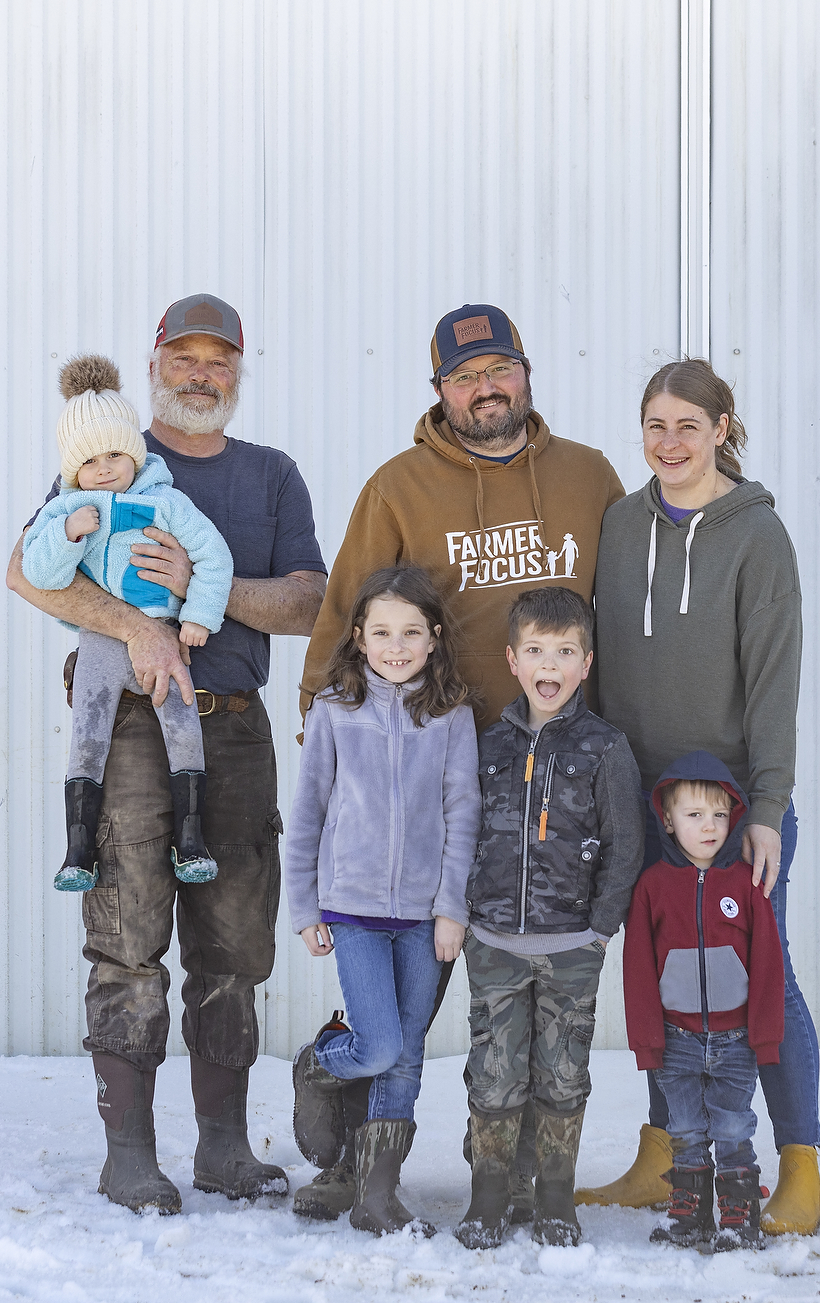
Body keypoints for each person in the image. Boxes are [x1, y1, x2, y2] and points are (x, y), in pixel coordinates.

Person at [290, 303, 627, 1222]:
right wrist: (321, 724)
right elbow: (348, 611)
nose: (486, 389)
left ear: (526, 370)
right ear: (439, 389)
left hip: (545, 782)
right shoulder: (398, 487)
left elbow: (624, 610)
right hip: (428, 777)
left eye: (499, 369)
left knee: (515, 991)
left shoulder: (588, 476)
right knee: (410, 989)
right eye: (464, 376)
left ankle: (503, 1168)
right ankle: (350, 1159)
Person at [5, 294, 327, 1214]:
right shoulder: (107, 456)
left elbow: (310, 602)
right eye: (183, 358)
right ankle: (129, 1156)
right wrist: (138, 627)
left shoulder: (271, 475)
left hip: (233, 725)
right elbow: (29, 571)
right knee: (129, 932)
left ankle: (225, 1150)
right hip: (132, 728)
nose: (200, 375)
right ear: (153, 369)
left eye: (217, 360)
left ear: (239, 372)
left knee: (234, 943)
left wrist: (202, 593)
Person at [583, 359, 820, 1237]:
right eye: (656, 425)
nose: (670, 443)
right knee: (663, 976)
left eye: (689, 425)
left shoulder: (758, 537)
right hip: (640, 802)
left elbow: (774, 686)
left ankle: (799, 1165)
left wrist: (765, 809)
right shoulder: (619, 524)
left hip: (726, 811)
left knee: (763, 976)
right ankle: (666, 1157)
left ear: (722, 429)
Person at [286, 565, 480, 1236]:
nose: (396, 647)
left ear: (434, 638)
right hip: (354, 910)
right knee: (377, 1046)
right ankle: (320, 1063)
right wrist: (305, 908)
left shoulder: (452, 715)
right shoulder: (334, 710)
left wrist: (452, 908)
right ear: (359, 637)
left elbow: (462, 814)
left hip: (424, 916)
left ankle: (377, 1196)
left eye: (411, 633)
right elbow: (308, 812)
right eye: (381, 633)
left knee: (406, 1056)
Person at [453, 587, 643, 1250]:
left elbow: (625, 842)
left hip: (572, 945)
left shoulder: (604, 749)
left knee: (562, 1073)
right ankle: (490, 1195)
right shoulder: (486, 746)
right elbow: (461, 830)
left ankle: (555, 1197)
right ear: (513, 660)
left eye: (565, 652)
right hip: (493, 941)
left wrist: (601, 927)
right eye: (535, 650)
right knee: (495, 1072)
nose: (550, 665)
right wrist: (466, 914)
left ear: (586, 664)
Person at [16, 355, 233, 892]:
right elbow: (37, 574)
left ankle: (191, 841)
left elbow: (214, 556)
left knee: (184, 729)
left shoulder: (167, 502)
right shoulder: (63, 510)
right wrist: (68, 534)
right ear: (73, 469)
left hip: (168, 637)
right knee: (87, 737)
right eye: (90, 460)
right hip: (101, 642)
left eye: (116, 453)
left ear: (135, 453)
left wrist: (199, 615)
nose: (106, 468)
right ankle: (79, 851)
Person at [625, 752, 785, 1252]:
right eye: (694, 815)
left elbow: (768, 964)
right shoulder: (652, 887)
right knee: (686, 1128)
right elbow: (638, 969)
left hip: (736, 1040)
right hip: (676, 1040)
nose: (710, 826)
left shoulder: (746, 884)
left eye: (719, 814)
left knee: (734, 1125)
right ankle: (690, 1213)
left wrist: (764, 1036)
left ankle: (738, 1213)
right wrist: (647, 1042)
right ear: (668, 821)